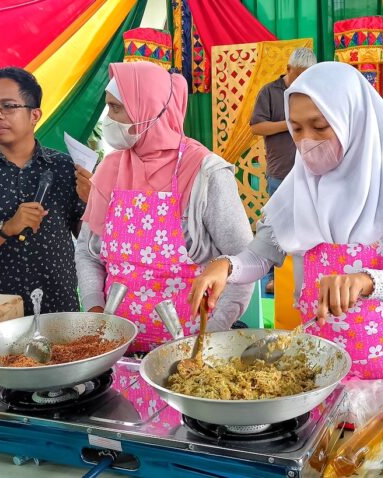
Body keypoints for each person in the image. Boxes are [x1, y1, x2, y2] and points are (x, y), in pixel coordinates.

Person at [190, 62, 383, 386]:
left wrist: (366, 281)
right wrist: (226, 266)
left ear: (350, 119)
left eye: (320, 127)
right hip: (316, 370)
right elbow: (261, 256)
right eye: (296, 129)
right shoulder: (300, 185)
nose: (306, 141)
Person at [76, 61, 254, 353]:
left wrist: (211, 339)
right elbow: (87, 252)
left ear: (148, 109)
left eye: (117, 108)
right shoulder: (110, 168)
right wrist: (96, 308)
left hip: (188, 351)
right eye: (108, 108)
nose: (109, 118)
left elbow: (243, 263)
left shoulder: (205, 172)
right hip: (115, 346)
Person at [0, 67, 85, 315]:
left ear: (35, 115)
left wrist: (93, 202)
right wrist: (6, 228)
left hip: (60, 309)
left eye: (8, 106)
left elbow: (87, 239)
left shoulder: (65, 167)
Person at [250, 47, 317, 294]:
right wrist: (290, 124)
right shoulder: (270, 92)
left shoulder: (314, 91)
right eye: (298, 75)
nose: (302, 81)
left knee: (307, 227)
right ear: (288, 69)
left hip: (311, 173)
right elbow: (257, 127)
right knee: (276, 226)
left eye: (307, 76)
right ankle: (269, 277)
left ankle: (301, 277)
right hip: (280, 171)